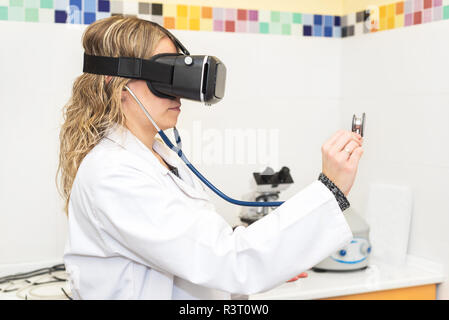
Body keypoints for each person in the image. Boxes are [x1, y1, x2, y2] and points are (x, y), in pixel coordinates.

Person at [58, 16, 364, 300]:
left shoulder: (161, 155)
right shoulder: (114, 173)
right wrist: (331, 189)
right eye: (167, 76)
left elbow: (205, 252)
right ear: (117, 84)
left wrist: (279, 256)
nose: (179, 94)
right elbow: (230, 261)